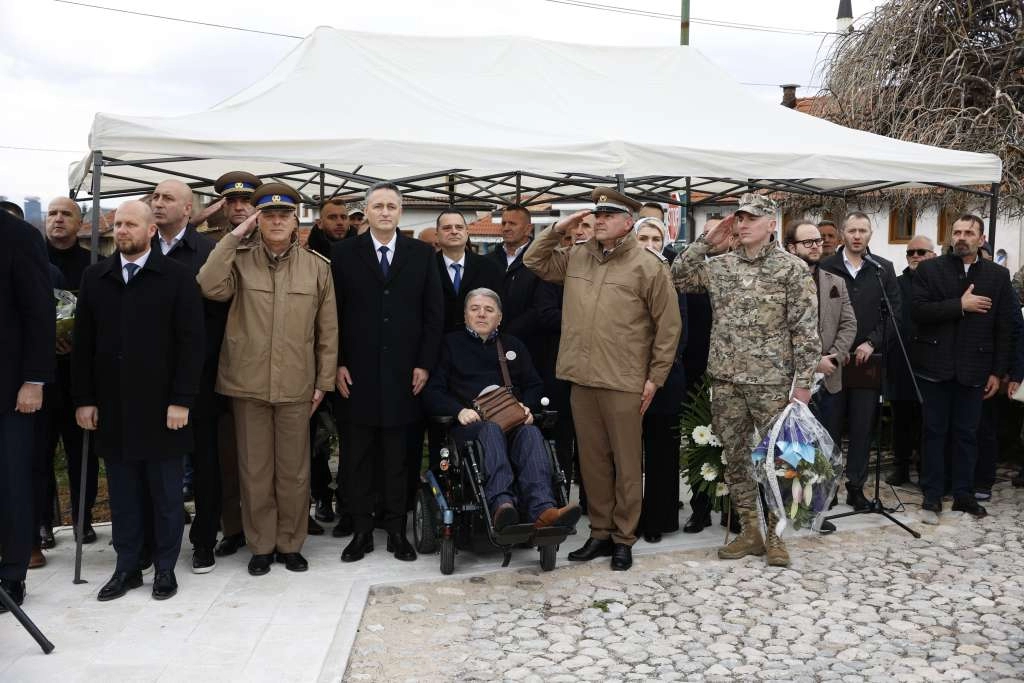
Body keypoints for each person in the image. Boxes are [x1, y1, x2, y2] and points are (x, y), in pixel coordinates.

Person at [524, 188, 681, 571]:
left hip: (625, 380)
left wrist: (655, 378)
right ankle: (599, 532)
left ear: (628, 223)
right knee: (592, 464)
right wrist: (558, 227)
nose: (600, 220)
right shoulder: (578, 255)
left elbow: (668, 327)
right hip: (582, 377)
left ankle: (623, 538)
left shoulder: (647, 265)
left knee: (626, 464)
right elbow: (533, 260)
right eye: (598, 215)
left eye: (608, 215)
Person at [672, 194, 819, 568]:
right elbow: (678, 276)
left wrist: (803, 384)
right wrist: (707, 241)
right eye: (739, 218)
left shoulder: (792, 269)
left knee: (778, 460)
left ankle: (776, 534)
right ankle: (750, 530)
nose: (743, 224)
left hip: (773, 383)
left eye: (752, 218)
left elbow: (805, 331)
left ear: (771, 224)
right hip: (727, 380)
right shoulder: (721, 266)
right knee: (736, 459)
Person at [198, 183, 337, 576]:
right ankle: (261, 546)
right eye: (269, 216)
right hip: (248, 383)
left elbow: (328, 331)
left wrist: (323, 381)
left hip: (297, 383)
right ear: (258, 220)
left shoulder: (317, 267)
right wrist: (235, 236)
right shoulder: (239, 260)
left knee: (294, 472)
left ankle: (290, 544)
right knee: (254, 471)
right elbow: (208, 285)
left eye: (284, 216)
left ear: (296, 222)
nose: (277, 222)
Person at [72, 200, 204, 601]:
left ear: (150, 231)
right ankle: (127, 567)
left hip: (163, 408)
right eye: (118, 225)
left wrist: (182, 400)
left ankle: (164, 568)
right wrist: (84, 399)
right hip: (113, 407)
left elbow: (191, 343)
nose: (122, 230)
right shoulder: (96, 277)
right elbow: (83, 344)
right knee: (124, 496)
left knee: (165, 496)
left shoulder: (177, 277)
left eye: (131, 224)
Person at [331, 182, 443, 563]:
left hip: (404, 375)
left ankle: (396, 530)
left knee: (399, 456)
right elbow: (332, 314)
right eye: (377, 206)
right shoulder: (344, 254)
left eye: (391, 206)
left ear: (400, 212)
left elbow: (433, 314)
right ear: (366, 211)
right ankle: (362, 530)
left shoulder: (421, 254)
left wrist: (424, 364)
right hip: (356, 374)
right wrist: (337, 362)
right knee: (357, 456)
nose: (384, 212)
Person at [423, 288, 581, 529]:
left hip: (512, 423)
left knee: (531, 433)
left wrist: (526, 407)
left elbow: (534, 385)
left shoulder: (513, 345)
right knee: (490, 430)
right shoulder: (450, 345)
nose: (481, 314)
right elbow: (433, 391)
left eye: (489, 310)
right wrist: (458, 411)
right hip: (471, 428)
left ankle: (543, 510)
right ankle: (501, 505)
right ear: (465, 315)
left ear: (499, 317)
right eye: (474, 309)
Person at [911, 214, 1014, 523]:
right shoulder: (930, 269)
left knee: (967, 434)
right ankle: (932, 494)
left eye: (969, 233)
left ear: (981, 240)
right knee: (933, 433)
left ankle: (963, 495)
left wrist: (997, 372)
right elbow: (917, 311)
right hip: (935, 367)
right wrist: (960, 305)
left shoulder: (998, 276)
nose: (961, 237)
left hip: (976, 368)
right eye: (956, 232)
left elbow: (1004, 326)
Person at [819, 212, 902, 511]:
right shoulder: (826, 266)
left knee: (862, 427)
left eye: (862, 231)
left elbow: (895, 312)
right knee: (828, 427)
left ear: (870, 234)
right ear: (843, 233)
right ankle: (827, 489)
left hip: (867, 361)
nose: (857, 236)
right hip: (832, 360)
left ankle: (856, 488)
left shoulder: (882, 268)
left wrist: (873, 342)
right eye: (852, 230)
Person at [784, 221, 857, 535]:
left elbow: (849, 324)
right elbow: (777, 331)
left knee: (822, 448)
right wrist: (813, 363)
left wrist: (833, 358)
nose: (816, 245)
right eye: (808, 242)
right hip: (791, 380)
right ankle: (788, 508)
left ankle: (815, 511)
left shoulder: (835, 281)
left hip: (829, 378)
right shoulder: (780, 280)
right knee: (792, 449)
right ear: (791, 247)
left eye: (818, 241)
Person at [0, 208, 55, 612]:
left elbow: (39, 312)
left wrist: (34, 380)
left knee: (11, 485)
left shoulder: (18, 236)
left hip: (10, 391)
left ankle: (12, 574)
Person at [43, 197, 97, 550]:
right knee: (39, 454)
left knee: (83, 453)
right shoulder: (30, 260)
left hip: (80, 377)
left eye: (66, 214)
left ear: (80, 224)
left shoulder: (94, 264)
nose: (58, 219)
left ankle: (83, 518)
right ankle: (43, 522)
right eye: (52, 214)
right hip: (40, 378)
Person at [632, 217, 688, 543]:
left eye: (656, 238)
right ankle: (627, 517)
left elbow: (680, 332)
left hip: (665, 379)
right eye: (643, 238)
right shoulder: (621, 272)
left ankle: (658, 518)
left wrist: (657, 372)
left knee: (662, 454)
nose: (650, 245)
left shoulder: (673, 275)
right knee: (626, 456)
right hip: (625, 377)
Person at [886, 235, 936, 486]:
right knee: (901, 421)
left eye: (921, 252)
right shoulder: (896, 284)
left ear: (933, 255)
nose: (915, 256)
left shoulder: (940, 284)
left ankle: (926, 468)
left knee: (929, 420)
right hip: (901, 362)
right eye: (910, 252)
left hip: (932, 363)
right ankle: (901, 467)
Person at [487, 205, 545, 367]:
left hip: (530, 347)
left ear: (528, 229)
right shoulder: (488, 261)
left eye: (512, 223)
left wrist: (509, 332)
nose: (506, 228)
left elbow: (540, 306)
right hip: (491, 345)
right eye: (503, 223)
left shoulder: (541, 261)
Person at [435, 208, 504, 333]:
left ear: (467, 232)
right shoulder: (426, 267)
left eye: (459, 227)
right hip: (436, 340)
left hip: (477, 340)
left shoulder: (489, 267)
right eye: (447, 228)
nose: (454, 231)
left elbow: (498, 307)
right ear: (437, 234)